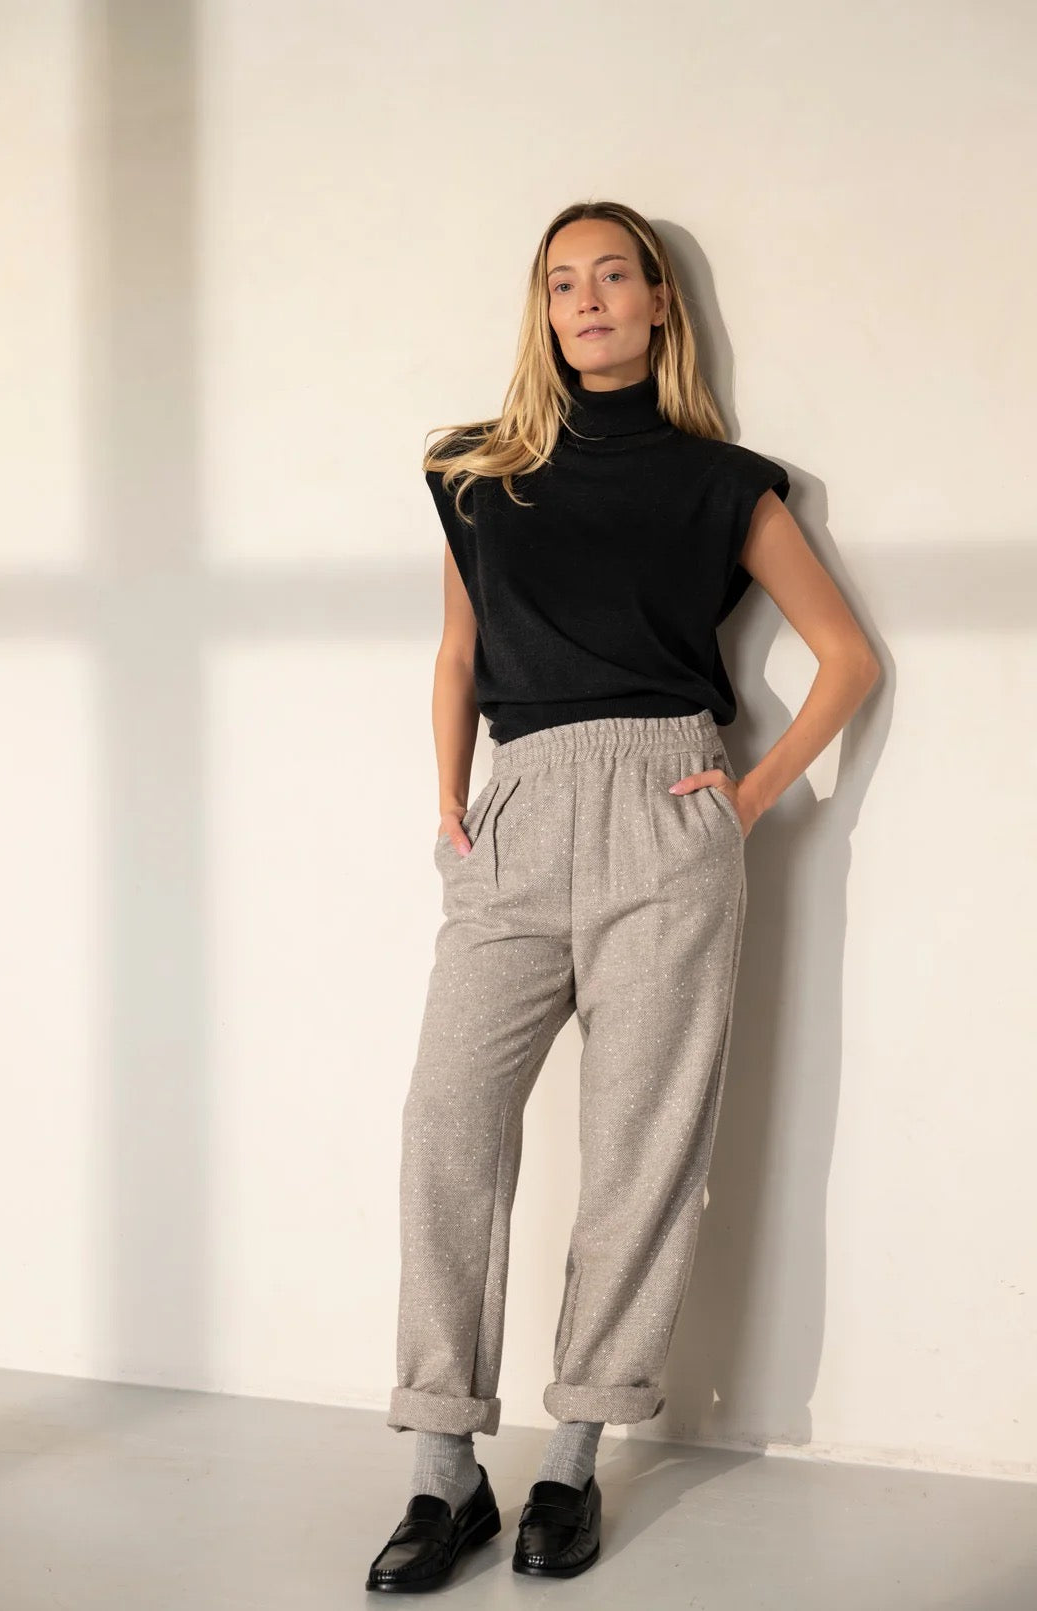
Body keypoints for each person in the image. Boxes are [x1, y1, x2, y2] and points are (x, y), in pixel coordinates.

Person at [365, 199, 880, 1593]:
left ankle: (572, 1461)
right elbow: (458, 653)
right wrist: (452, 809)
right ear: (542, 311)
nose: (585, 300)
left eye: (611, 277)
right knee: (446, 1122)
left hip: (668, 807)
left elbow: (845, 658)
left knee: (641, 1145)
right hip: (517, 812)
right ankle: (443, 1472)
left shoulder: (726, 485)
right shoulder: (479, 472)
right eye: (560, 283)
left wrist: (746, 801)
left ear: (659, 301)